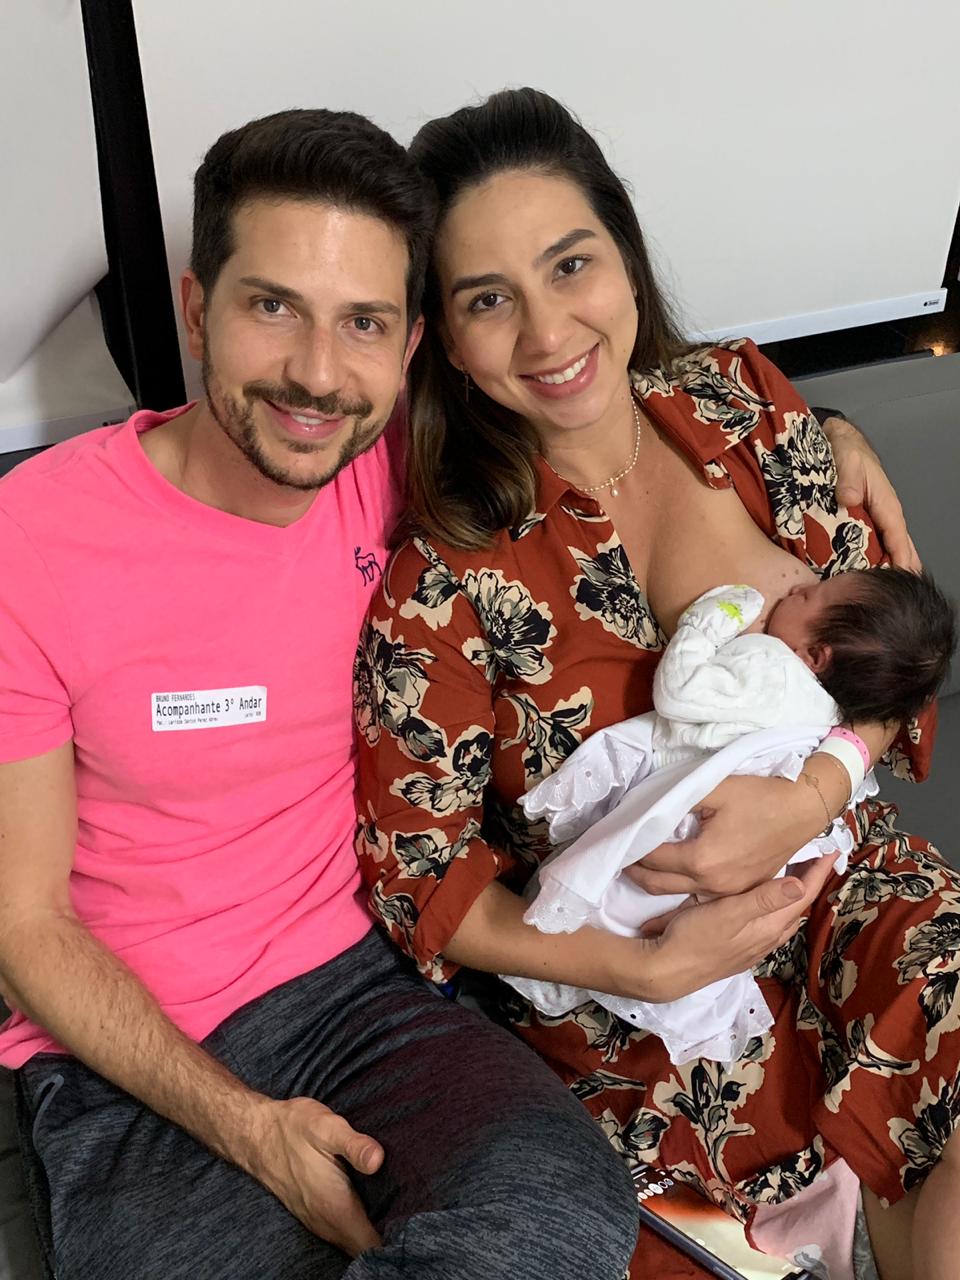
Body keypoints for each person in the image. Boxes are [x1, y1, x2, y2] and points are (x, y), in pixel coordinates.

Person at [0, 108, 645, 1280]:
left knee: (565, 1215)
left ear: (410, 346)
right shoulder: (31, 541)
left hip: (363, 997)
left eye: (363, 323)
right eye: (272, 306)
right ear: (198, 307)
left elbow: (606, 399)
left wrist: (829, 432)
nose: (315, 372)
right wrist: (252, 1128)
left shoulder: (401, 468)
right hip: (120, 1057)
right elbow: (23, 924)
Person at [354, 87, 960, 1280]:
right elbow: (418, 877)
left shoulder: (744, 401)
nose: (547, 331)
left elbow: (892, 665)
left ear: (625, 256)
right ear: (445, 338)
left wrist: (812, 793)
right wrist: (641, 967)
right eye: (488, 298)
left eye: (570, 263)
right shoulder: (445, 576)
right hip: (643, 997)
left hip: (854, 884)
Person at [508, 571, 956, 1064]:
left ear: (816, 656)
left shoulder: (774, 666)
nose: (795, 589)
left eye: (809, 594)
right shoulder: (832, 709)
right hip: (754, 895)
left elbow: (682, 692)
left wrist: (710, 620)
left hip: (703, 852)